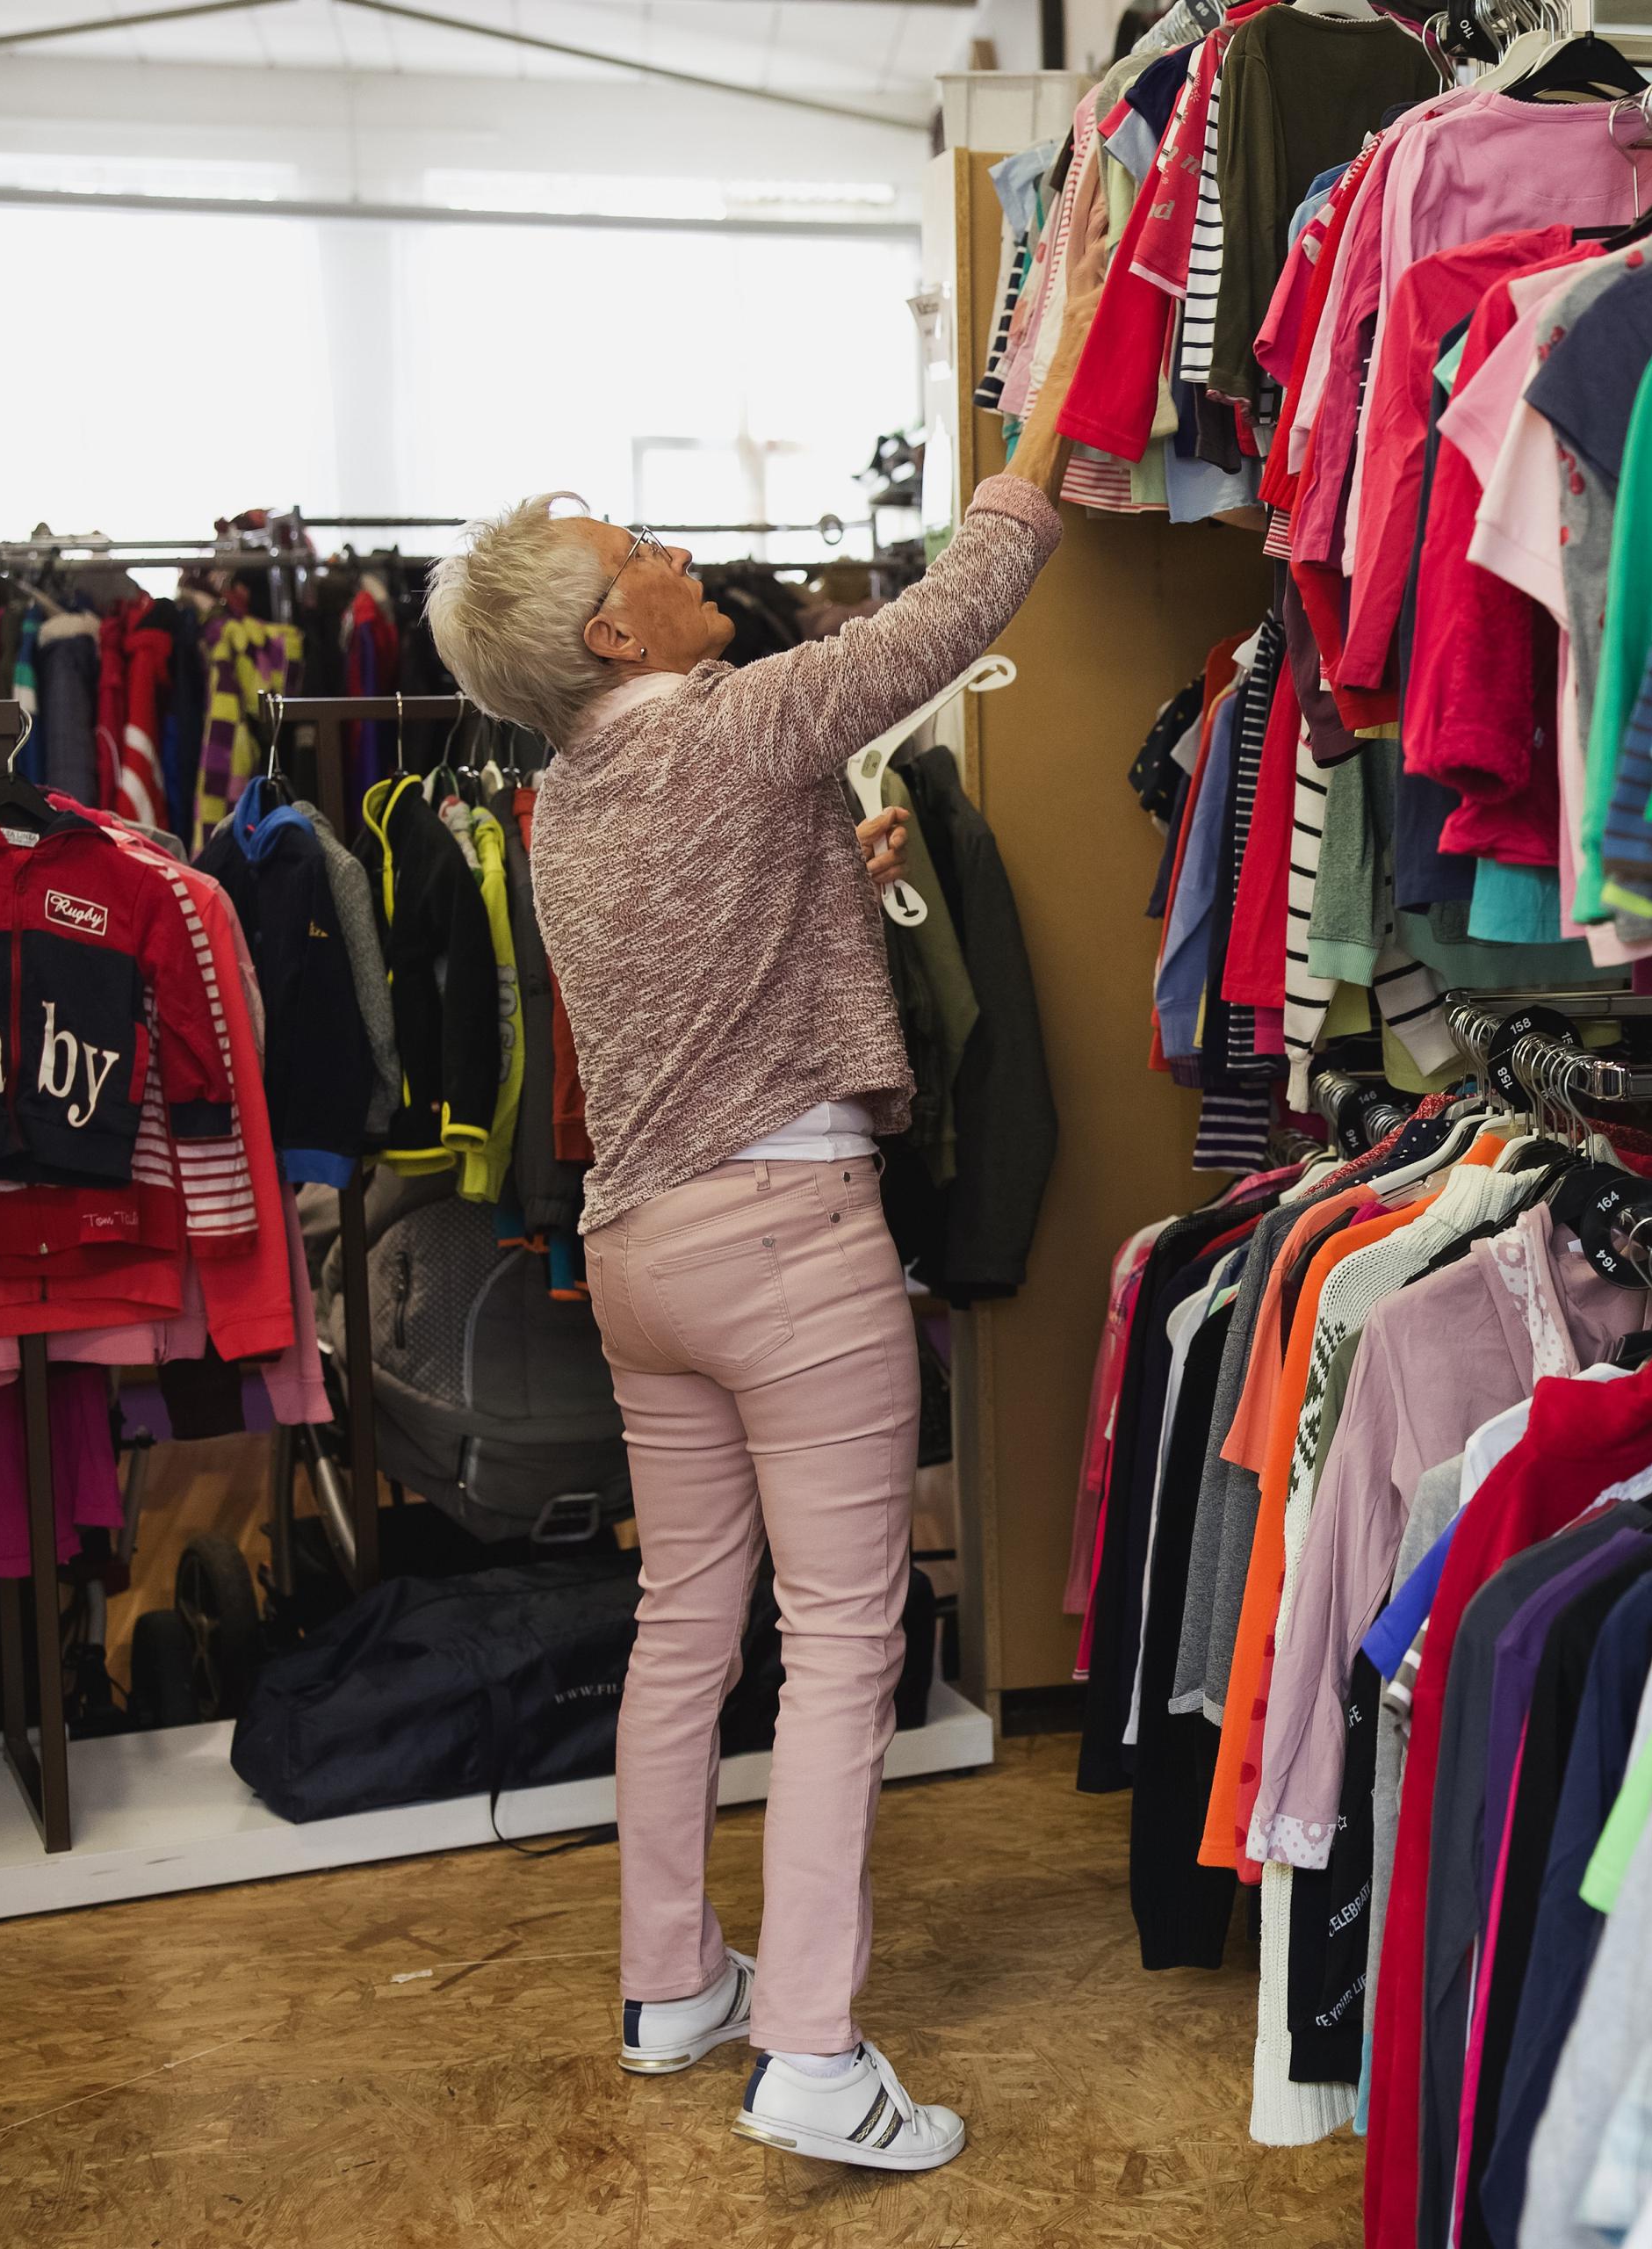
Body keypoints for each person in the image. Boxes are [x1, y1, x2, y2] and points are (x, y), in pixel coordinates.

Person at [424, 474, 1063, 2171]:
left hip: (640, 1256)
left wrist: (826, 880)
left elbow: (712, 969)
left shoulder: (572, 799)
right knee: (849, 1636)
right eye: (645, 552)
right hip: (785, 1241)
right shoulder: (744, 724)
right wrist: (1035, 453)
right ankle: (812, 2053)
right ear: (611, 629)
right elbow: (954, 610)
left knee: (684, 1624)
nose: (680, 554)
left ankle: (671, 1986)